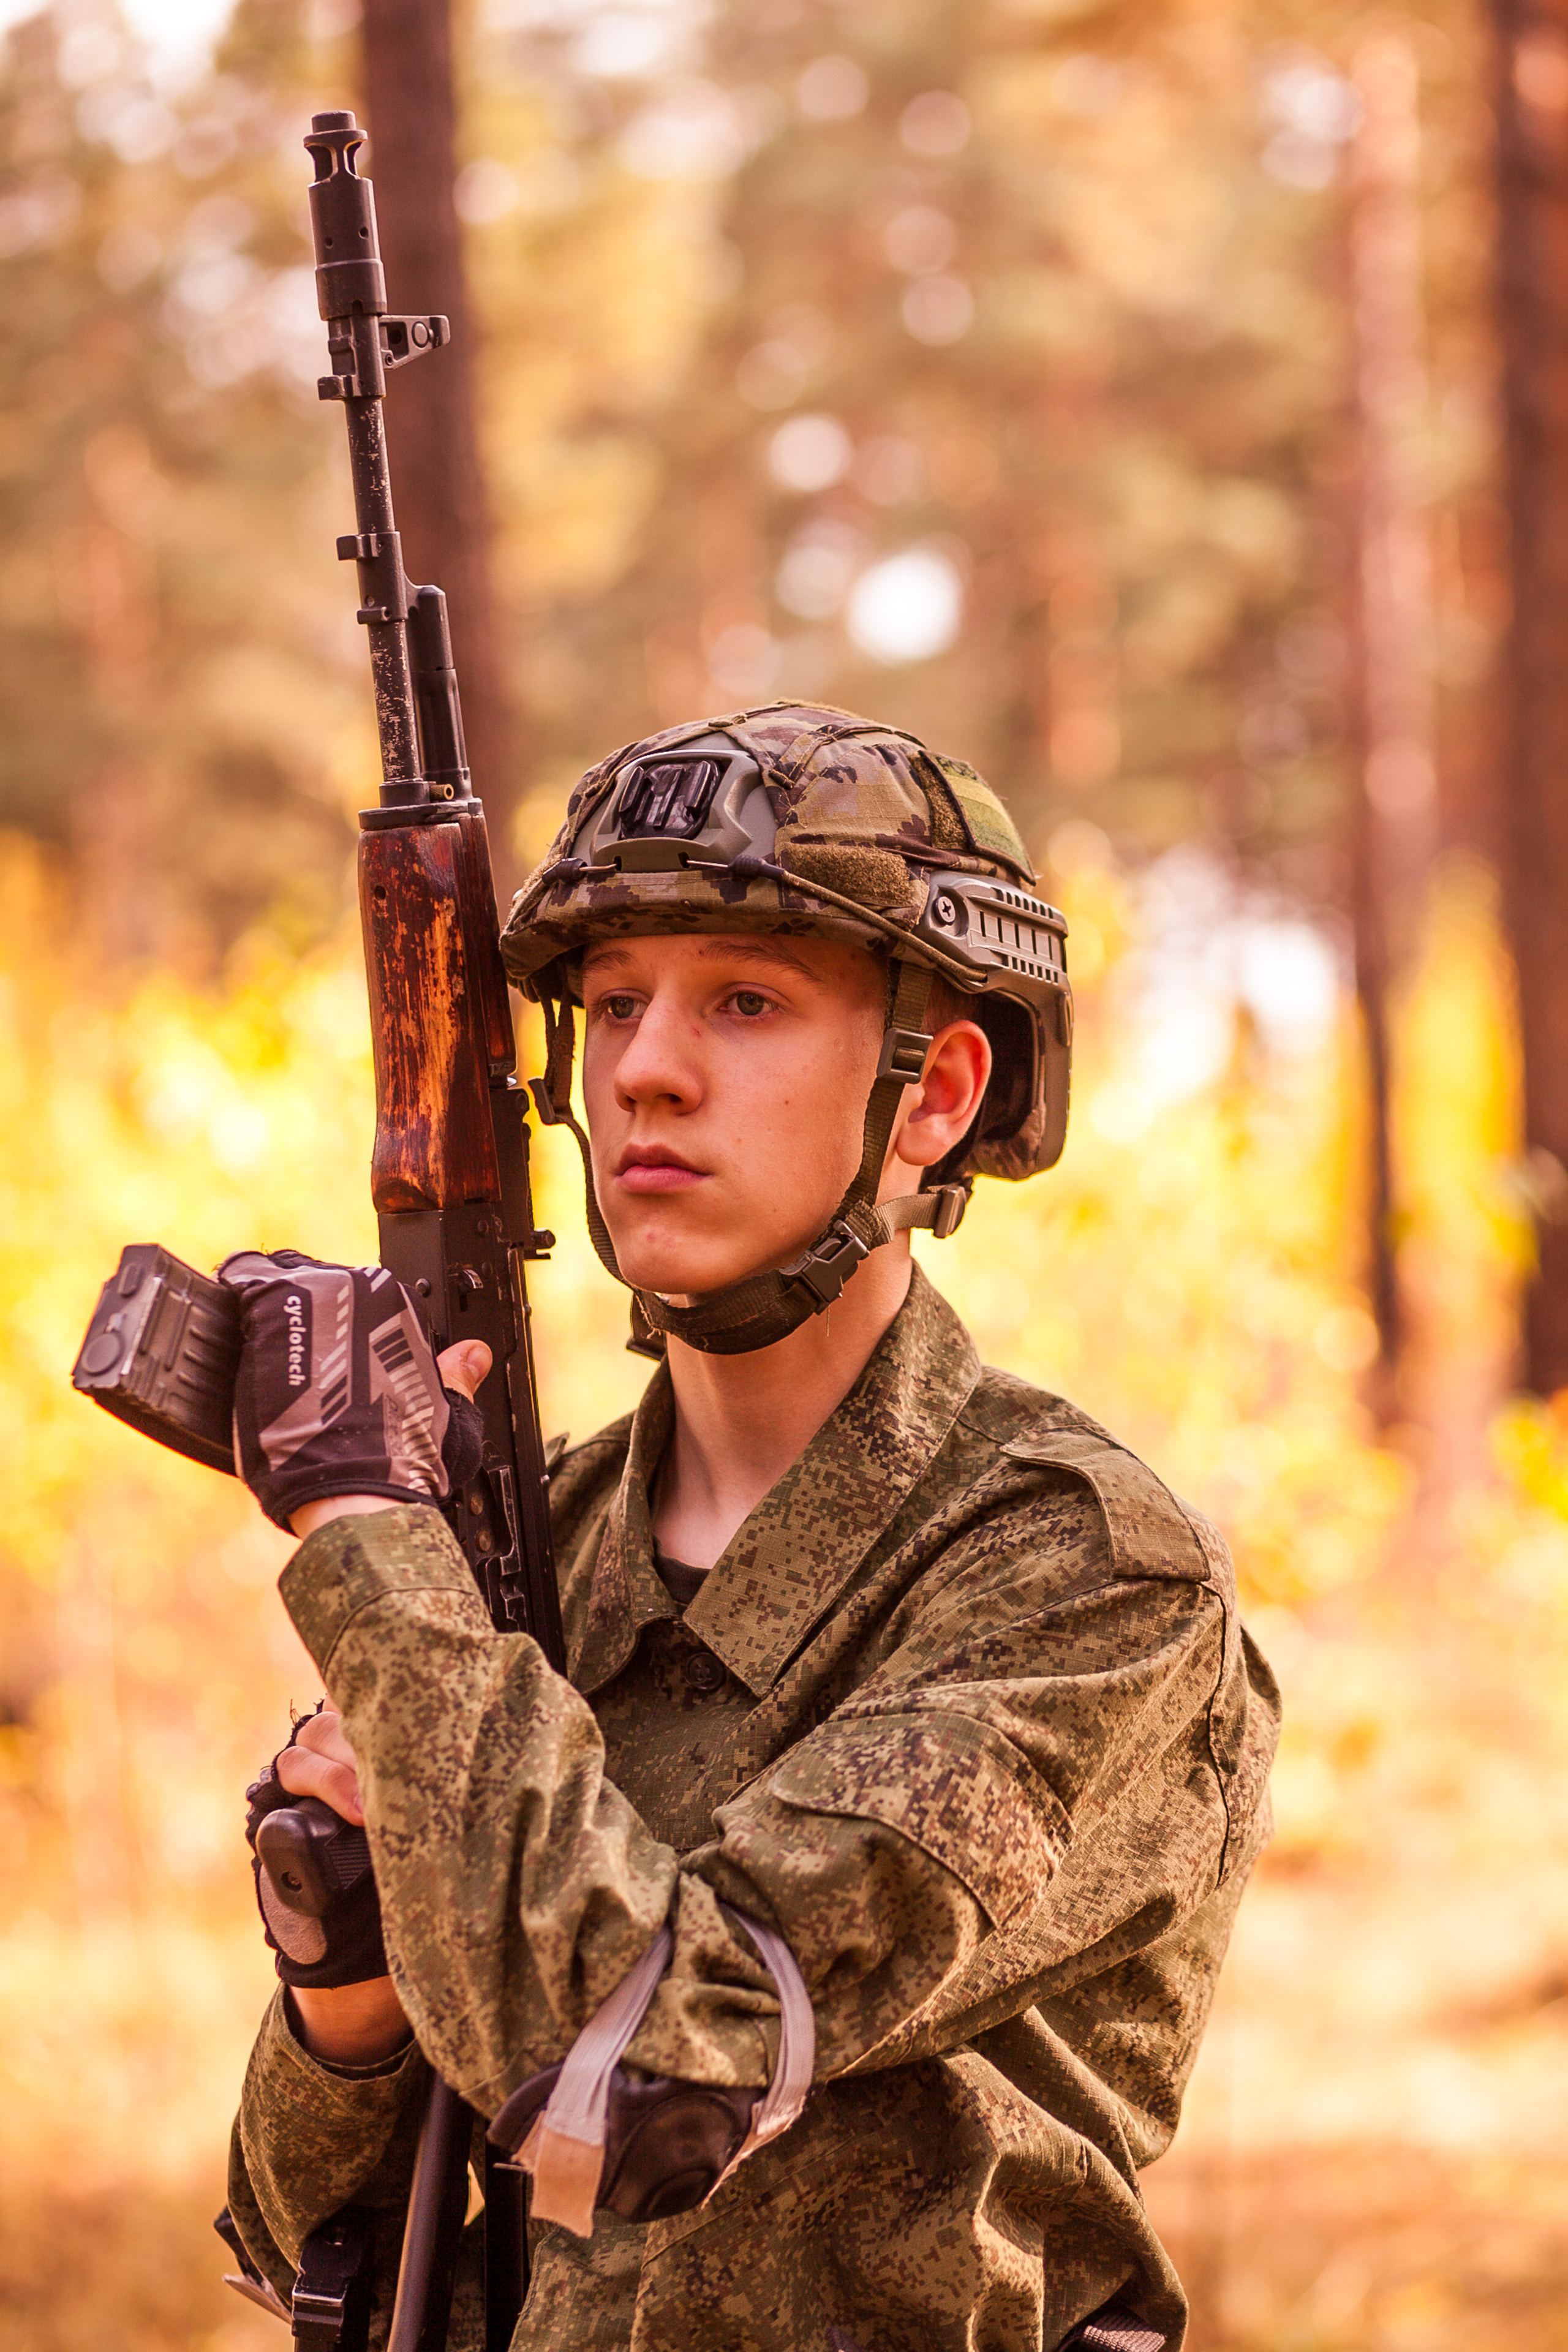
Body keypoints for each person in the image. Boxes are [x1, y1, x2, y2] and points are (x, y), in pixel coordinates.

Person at [222, 702, 1280, 2352]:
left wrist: (366, 1540)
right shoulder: (541, 1542)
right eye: (619, 1002)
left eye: (746, 1000)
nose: (645, 1066)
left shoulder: (1080, 1574)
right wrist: (345, 1983)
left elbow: (660, 2073)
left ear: (934, 1099)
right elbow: (302, 2238)